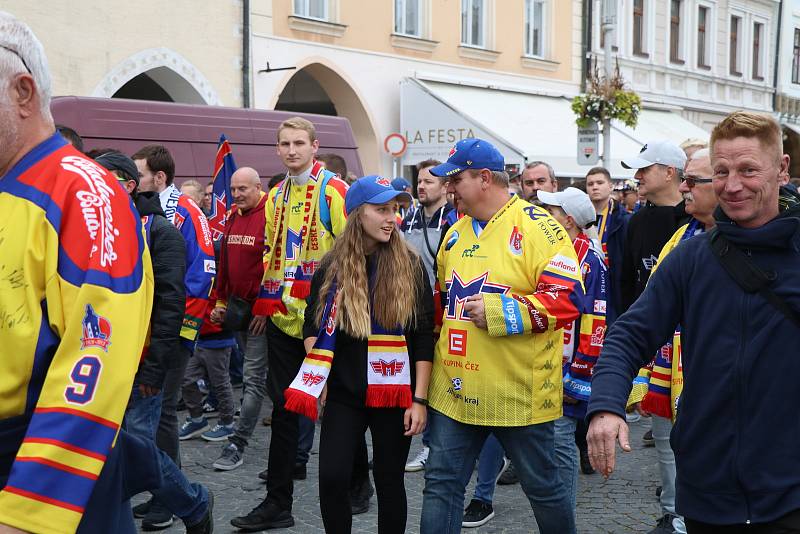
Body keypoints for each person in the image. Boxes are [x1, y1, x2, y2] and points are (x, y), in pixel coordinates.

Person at [588, 111, 800, 532]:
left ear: (781, 169)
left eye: (748, 170)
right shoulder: (691, 257)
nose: (732, 184)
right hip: (707, 488)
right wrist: (606, 405)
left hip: (790, 492)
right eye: (721, 171)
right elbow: (629, 334)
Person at [0, 12, 155, 532]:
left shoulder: (81, 189)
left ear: (23, 92)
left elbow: (96, 352)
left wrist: (29, 509)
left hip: (38, 462)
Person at [419, 138, 584, 534]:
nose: (449, 187)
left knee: (543, 488)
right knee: (441, 485)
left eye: (456, 179)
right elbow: (442, 308)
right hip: (455, 390)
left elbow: (568, 300)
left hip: (519, 393)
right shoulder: (455, 233)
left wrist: (501, 312)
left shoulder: (541, 228)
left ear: (485, 178)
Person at [289, 175, 433, 533]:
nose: (391, 218)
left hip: (394, 393)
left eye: (395, 209)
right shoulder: (331, 266)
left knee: (389, 481)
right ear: (357, 214)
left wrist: (420, 400)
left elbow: (422, 337)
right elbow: (311, 326)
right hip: (343, 392)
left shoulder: (410, 266)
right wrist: (319, 374)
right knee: (333, 478)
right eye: (381, 209)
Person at [229, 117, 351, 531]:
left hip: (328, 318)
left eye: (299, 143)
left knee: (339, 406)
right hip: (284, 318)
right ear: (277, 149)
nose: (292, 150)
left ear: (315, 147)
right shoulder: (276, 194)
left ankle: (359, 482)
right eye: (285, 143)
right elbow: (271, 251)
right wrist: (268, 300)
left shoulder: (334, 191)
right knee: (283, 410)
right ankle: (277, 502)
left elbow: (353, 250)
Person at [95, 150, 214, 532]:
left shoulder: (160, 232)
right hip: (104, 358)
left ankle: (191, 502)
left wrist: (155, 366)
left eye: (107, 177)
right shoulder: (100, 228)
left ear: (129, 185)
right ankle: (183, 502)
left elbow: (170, 307)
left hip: (144, 357)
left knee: (138, 445)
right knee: (120, 443)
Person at [626, 149, 718, 534]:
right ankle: (674, 514)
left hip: (714, 367)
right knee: (668, 444)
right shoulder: (681, 237)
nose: (685, 187)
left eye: (693, 181)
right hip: (670, 358)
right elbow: (646, 302)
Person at [132, 144, 215, 526]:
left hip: (172, 333)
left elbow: (202, 276)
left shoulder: (186, 211)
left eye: (139, 175)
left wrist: (182, 334)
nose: (132, 183)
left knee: (162, 413)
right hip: (145, 333)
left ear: (159, 178)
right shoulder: (142, 211)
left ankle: (171, 498)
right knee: (155, 417)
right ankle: (161, 490)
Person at [537, 187, 607, 511]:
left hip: (568, 371)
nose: (542, 215)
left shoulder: (590, 260)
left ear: (567, 220)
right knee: (547, 445)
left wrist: (578, 376)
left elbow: (596, 323)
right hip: (542, 364)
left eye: (550, 211)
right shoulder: (552, 251)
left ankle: (562, 518)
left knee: (561, 441)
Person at [208, 166, 272, 469]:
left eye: (242, 189)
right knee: (258, 377)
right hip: (237, 311)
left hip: (261, 313)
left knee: (252, 379)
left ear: (257, 187)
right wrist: (220, 301)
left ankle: (238, 442)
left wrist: (264, 306)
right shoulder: (233, 216)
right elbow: (225, 265)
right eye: (233, 190)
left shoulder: (271, 213)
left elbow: (277, 266)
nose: (236, 195)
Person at [401, 158, 457, 473]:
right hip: (411, 308)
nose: (422, 186)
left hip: (441, 309)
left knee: (439, 379)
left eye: (429, 182)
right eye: (420, 181)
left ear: (446, 187)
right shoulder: (409, 216)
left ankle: (433, 446)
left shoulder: (454, 219)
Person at [585, 166, 629, 326]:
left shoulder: (623, 219)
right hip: (589, 282)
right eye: (590, 184)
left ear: (610, 186)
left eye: (599, 182)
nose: (595, 187)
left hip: (614, 284)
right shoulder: (580, 216)